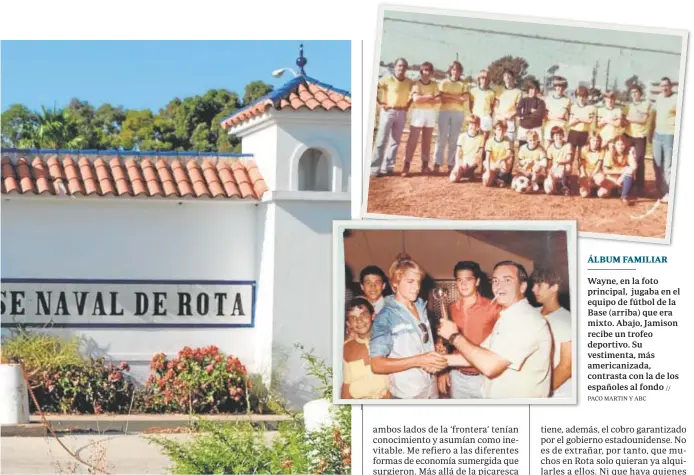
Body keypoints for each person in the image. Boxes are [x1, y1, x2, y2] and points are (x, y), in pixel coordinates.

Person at [438, 261, 552, 399]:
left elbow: (489, 366)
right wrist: (435, 360)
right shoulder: (507, 317)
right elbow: (477, 356)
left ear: (522, 286)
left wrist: (454, 336)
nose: (499, 286)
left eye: (507, 280)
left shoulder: (526, 320)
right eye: (496, 281)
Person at [370, 254, 447, 399]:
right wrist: (418, 360)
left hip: (431, 388)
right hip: (407, 394)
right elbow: (377, 365)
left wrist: (435, 349)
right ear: (395, 283)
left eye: (418, 282)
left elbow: (421, 345)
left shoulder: (421, 307)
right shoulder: (386, 316)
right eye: (410, 281)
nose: (417, 287)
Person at [437, 261, 500, 399]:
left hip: (483, 377)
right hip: (457, 376)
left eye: (468, 279)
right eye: (459, 280)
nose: (463, 284)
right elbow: (446, 342)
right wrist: (442, 371)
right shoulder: (451, 308)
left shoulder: (492, 307)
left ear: (477, 281)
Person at [530, 268, 572, 399]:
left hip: (556, 394)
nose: (533, 289)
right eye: (533, 284)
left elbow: (567, 367)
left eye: (539, 285)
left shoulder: (567, 320)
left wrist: (541, 394)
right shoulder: (531, 314)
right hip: (532, 386)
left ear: (554, 288)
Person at [342, 297, 391, 399]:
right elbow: (346, 385)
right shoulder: (346, 348)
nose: (359, 320)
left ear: (373, 316)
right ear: (348, 323)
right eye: (353, 318)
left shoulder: (387, 340)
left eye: (363, 314)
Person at [371, 58, 413, 177]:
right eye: (399, 66)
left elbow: (415, 92)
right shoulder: (387, 79)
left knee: (395, 141)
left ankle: (388, 167)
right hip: (388, 111)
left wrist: (408, 105)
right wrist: (380, 103)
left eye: (404, 66)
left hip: (401, 112)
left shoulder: (409, 82)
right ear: (395, 67)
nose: (402, 68)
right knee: (381, 140)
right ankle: (374, 168)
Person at [402, 62, 440, 177]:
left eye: (429, 70)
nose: (426, 72)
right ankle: (406, 164)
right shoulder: (416, 84)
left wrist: (425, 98)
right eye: (424, 70)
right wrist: (429, 97)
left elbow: (438, 100)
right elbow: (416, 99)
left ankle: (424, 165)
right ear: (421, 72)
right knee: (413, 139)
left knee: (427, 141)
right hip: (418, 113)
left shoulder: (434, 84)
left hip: (430, 113)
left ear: (431, 72)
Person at [434, 61, 469, 173]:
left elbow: (464, 99)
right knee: (441, 138)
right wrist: (456, 97)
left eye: (458, 70)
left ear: (460, 72)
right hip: (444, 111)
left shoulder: (463, 84)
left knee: (454, 139)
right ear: (450, 70)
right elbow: (441, 97)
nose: (456, 72)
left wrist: (449, 96)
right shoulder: (444, 82)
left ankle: (451, 163)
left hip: (458, 113)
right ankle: (437, 162)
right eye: (454, 69)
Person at [652, 77, 678, 203]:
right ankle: (659, 188)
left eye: (666, 85)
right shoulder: (659, 98)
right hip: (657, 134)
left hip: (669, 135)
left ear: (670, 86)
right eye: (662, 86)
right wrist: (651, 132)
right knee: (657, 164)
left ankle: (669, 192)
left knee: (668, 165)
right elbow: (655, 115)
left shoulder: (676, 98)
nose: (664, 88)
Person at [594, 134, 637, 205]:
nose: (620, 146)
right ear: (614, 145)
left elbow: (634, 167)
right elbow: (605, 171)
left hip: (622, 179)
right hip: (611, 179)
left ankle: (624, 196)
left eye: (622, 144)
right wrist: (620, 172)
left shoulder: (627, 154)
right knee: (601, 194)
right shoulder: (609, 154)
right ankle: (615, 190)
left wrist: (631, 154)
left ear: (625, 145)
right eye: (618, 144)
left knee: (629, 169)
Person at [624, 84, 651, 196]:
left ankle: (639, 186)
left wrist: (630, 119)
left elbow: (643, 119)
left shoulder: (646, 104)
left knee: (639, 159)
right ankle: (627, 183)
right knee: (628, 159)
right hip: (629, 134)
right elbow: (624, 119)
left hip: (640, 136)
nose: (634, 94)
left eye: (636, 92)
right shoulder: (629, 105)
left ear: (640, 93)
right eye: (632, 93)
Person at [449, 115, 485, 183]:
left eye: (476, 125)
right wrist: (457, 165)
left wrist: (474, 162)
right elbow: (458, 153)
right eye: (471, 124)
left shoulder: (481, 138)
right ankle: (466, 173)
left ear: (478, 127)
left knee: (469, 167)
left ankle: (467, 172)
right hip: (462, 162)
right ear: (468, 125)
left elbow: (480, 153)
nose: (473, 127)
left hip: (473, 163)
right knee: (452, 179)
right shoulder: (462, 136)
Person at [567, 86, 596, 166]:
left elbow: (590, 120)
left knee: (581, 155)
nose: (581, 98)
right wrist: (583, 119)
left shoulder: (591, 108)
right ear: (576, 97)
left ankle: (581, 173)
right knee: (570, 154)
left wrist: (578, 118)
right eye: (579, 96)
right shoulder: (573, 107)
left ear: (586, 97)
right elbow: (570, 123)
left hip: (584, 133)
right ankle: (568, 173)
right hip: (573, 133)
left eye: (583, 96)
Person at [494, 69, 522, 143]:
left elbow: (518, 108)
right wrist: (499, 115)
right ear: (503, 78)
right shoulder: (499, 90)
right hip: (499, 119)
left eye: (509, 75)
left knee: (509, 143)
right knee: (498, 142)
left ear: (513, 78)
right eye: (505, 76)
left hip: (510, 120)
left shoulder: (518, 92)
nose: (507, 77)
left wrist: (510, 116)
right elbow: (496, 105)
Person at [482, 121, 513, 187]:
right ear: (495, 130)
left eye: (503, 130)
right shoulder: (490, 141)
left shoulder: (508, 140)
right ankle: (494, 176)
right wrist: (488, 172)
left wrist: (500, 159)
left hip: (502, 164)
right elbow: (487, 157)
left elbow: (508, 154)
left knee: (509, 160)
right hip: (492, 164)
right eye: (499, 130)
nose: (501, 132)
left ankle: (501, 177)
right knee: (486, 183)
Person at [516, 79, 546, 149]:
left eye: (535, 89)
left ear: (538, 90)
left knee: (536, 149)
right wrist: (530, 110)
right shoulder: (523, 100)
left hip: (536, 128)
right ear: (528, 89)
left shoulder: (541, 102)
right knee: (522, 148)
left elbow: (539, 115)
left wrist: (524, 115)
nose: (534, 91)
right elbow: (518, 113)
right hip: (523, 127)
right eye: (532, 89)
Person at [543, 77, 571, 150]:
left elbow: (568, 117)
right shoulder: (548, 99)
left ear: (564, 88)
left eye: (562, 86)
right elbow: (544, 115)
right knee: (547, 148)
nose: (560, 88)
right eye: (558, 86)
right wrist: (555, 118)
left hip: (562, 127)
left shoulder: (567, 100)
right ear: (555, 87)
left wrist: (563, 119)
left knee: (561, 150)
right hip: (550, 126)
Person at [545, 126, 573, 195]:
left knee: (568, 167)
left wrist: (559, 162)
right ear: (552, 137)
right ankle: (555, 185)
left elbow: (569, 159)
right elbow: (549, 163)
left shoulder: (568, 145)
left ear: (563, 135)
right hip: (555, 167)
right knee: (549, 190)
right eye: (556, 135)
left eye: (560, 135)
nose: (559, 137)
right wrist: (549, 173)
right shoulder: (550, 147)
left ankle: (564, 185)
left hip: (564, 165)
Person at [470, 69, 496, 141]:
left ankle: (483, 152)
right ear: (479, 79)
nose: (484, 80)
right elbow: (471, 105)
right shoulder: (473, 91)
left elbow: (492, 107)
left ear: (489, 80)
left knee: (484, 138)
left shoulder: (492, 93)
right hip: (476, 116)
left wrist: (489, 117)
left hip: (486, 117)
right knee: (474, 137)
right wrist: (473, 115)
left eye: (487, 78)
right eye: (482, 77)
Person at [578, 132, 605, 198]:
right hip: (586, 170)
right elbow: (582, 164)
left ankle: (595, 187)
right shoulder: (584, 149)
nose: (595, 143)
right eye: (593, 140)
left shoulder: (601, 150)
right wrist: (584, 174)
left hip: (596, 171)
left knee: (601, 179)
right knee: (584, 195)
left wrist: (592, 176)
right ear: (589, 140)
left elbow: (599, 165)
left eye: (597, 141)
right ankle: (587, 188)